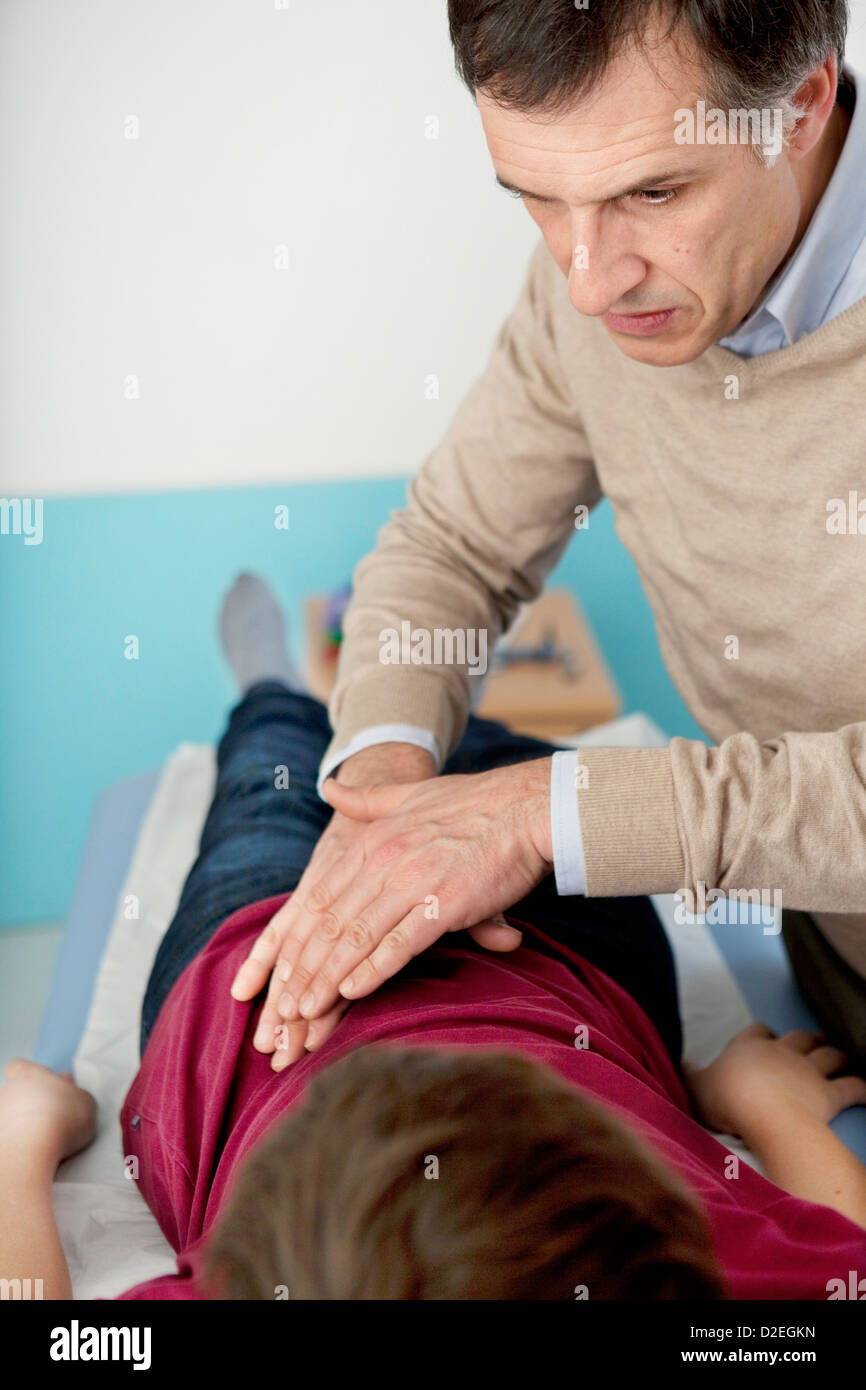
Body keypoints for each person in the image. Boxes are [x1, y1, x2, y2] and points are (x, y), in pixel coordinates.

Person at [239, 0, 866, 1074]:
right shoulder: (610, 284)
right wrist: (387, 788)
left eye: (653, 192)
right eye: (535, 196)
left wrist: (540, 815)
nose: (585, 280)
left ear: (799, 104)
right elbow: (450, 548)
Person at [1, 578, 864, 1301]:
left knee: (272, 778)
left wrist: (18, 1144)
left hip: (255, 975)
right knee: (506, 773)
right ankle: (449, 714)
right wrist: (770, 1108)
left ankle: (275, 688)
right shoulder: (678, 1281)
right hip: (559, 970)